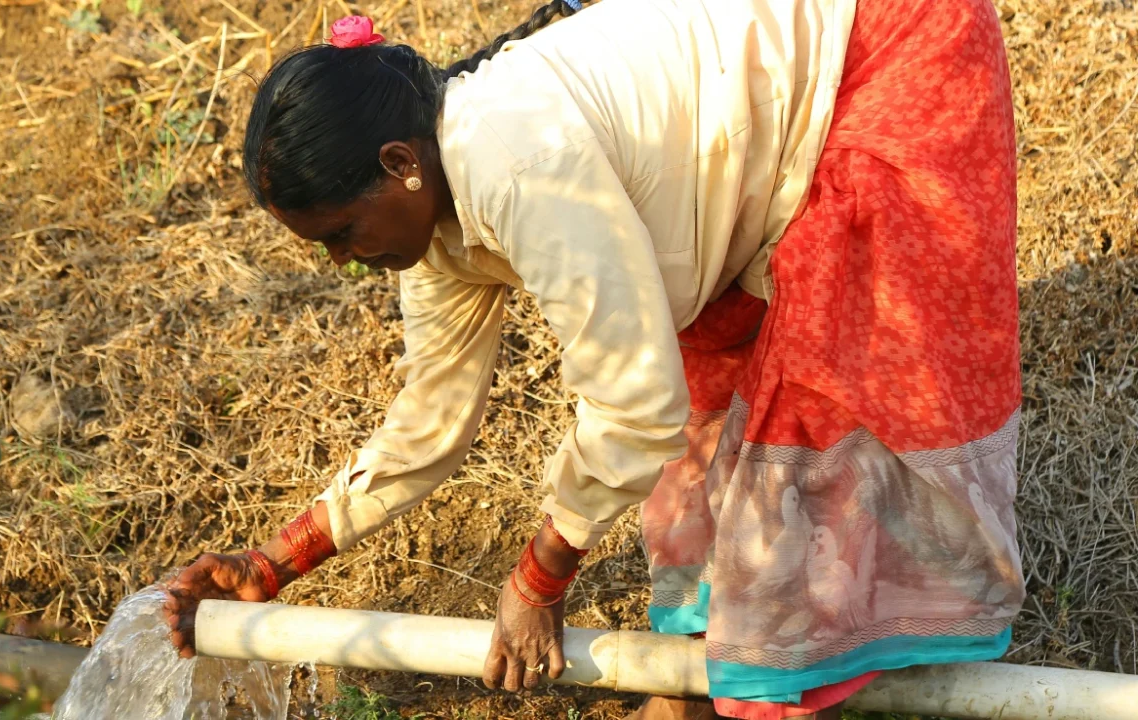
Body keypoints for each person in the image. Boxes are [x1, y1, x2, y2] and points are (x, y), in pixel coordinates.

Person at [163, 0, 1026, 715]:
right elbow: (431, 417)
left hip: (878, 49)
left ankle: (785, 677)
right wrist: (278, 559)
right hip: (763, 100)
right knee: (703, 394)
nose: (344, 263)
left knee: (810, 414)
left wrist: (539, 577)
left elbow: (629, 406)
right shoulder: (433, 215)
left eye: (344, 234)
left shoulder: (516, 162)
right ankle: (685, 685)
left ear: (399, 164)